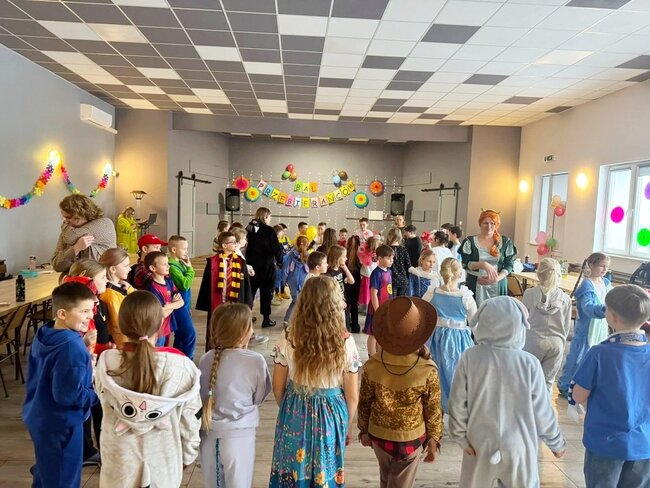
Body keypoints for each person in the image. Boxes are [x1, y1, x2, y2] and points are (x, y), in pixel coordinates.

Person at [448, 296, 566, 488]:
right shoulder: (529, 363)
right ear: (519, 325)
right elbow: (542, 410)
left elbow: (457, 401)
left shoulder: (470, 357)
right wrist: (556, 442)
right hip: (519, 445)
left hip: (479, 442)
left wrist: (460, 436)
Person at [95, 291, 202, 487]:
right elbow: (191, 418)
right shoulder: (181, 366)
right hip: (164, 463)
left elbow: (101, 398)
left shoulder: (105, 363)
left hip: (119, 464)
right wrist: (188, 455)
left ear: (121, 324)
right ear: (161, 322)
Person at [269, 276, 360, 487]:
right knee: (326, 471)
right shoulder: (345, 341)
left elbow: (277, 387)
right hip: (331, 412)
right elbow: (352, 396)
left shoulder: (289, 336)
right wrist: (346, 424)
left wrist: (289, 410)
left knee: (292, 469)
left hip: (295, 407)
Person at [569, 285, 650, 488]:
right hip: (644, 443)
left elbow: (578, 395)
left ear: (612, 317)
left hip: (605, 443)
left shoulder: (600, 353)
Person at [358, 296, 443, 487]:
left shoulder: (372, 365)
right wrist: (434, 438)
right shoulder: (427, 370)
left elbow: (364, 403)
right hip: (411, 439)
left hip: (379, 436)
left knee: (386, 477)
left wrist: (363, 430)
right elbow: (433, 409)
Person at [23, 282, 99, 488]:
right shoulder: (72, 347)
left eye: (91, 310)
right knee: (63, 479)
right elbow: (68, 396)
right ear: (62, 313)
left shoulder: (45, 332)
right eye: (84, 311)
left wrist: (83, 355)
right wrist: (100, 392)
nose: (90, 316)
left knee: (47, 472)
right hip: (63, 423)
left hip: (40, 416)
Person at [199, 303, 271, 488]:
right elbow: (259, 397)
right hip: (240, 437)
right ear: (243, 332)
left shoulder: (206, 359)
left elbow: (202, 395)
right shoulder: (256, 361)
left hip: (209, 437)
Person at [63, 259, 109, 467]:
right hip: (85, 366)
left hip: (93, 363)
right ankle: (85, 452)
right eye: (102, 277)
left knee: (95, 408)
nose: (106, 281)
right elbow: (72, 342)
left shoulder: (93, 301)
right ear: (87, 279)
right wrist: (86, 346)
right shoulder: (78, 306)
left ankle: (92, 449)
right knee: (87, 407)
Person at [423, 257, 477, 413]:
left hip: (435, 340)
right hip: (459, 342)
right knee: (456, 374)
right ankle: (457, 409)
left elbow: (422, 316)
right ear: (459, 274)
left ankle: (436, 409)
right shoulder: (465, 297)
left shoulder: (431, 293)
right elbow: (474, 323)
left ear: (442, 272)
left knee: (436, 373)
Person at [557, 252, 611, 397]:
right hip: (586, 329)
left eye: (607, 267)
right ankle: (566, 386)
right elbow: (588, 308)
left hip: (600, 328)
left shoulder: (606, 283)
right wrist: (606, 309)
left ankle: (587, 386)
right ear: (591, 265)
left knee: (595, 358)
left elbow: (610, 298)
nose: (605, 269)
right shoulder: (587, 285)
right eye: (602, 266)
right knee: (578, 358)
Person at [196, 232, 259, 349]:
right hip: (218, 302)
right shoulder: (212, 262)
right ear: (224, 245)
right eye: (233, 242)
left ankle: (233, 350)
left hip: (235, 301)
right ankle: (214, 351)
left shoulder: (240, 261)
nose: (236, 244)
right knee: (216, 329)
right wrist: (205, 303)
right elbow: (206, 283)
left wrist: (248, 303)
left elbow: (246, 284)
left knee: (234, 329)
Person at [522, 258, 572, 393]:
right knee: (547, 383)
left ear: (538, 274)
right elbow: (566, 326)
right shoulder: (566, 299)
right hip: (556, 343)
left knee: (527, 381)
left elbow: (523, 319)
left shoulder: (529, 294)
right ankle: (544, 406)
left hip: (532, 341)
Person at [459, 209, 517, 306]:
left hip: (499, 285)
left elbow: (509, 265)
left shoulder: (505, 242)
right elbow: (465, 264)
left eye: (492, 223)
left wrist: (496, 278)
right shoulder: (470, 241)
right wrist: (483, 264)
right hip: (475, 284)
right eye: (485, 223)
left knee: (498, 313)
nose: (489, 226)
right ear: (480, 224)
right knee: (475, 313)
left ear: (496, 224)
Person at [52, 194, 117, 273]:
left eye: (68, 217)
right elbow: (56, 265)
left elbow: (70, 238)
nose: (64, 221)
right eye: (63, 217)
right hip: (75, 278)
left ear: (81, 215)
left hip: (101, 278)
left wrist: (74, 248)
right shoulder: (68, 231)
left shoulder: (104, 223)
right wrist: (76, 248)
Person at [246, 207, 283, 329]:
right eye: (270, 216)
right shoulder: (269, 230)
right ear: (265, 216)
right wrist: (280, 261)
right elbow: (276, 248)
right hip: (266, 266)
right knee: (266, 293)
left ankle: (246, 317)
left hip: (251, 266)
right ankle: (266, 319)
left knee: (250, 293)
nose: (270, 219)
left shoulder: (249, 228)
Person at [143, 251, 185, 347]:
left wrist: (168, 306)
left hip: (167, 326)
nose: (168, 266)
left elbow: (181, 302)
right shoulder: (152, 288)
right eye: (164, 264)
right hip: (157, 328)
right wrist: (173, 305)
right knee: (158, 351)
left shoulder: (169, 281)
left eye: (168, 263)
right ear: (153, 268)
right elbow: (160, 314)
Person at [167, 235, 196, 359]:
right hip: (179, 306)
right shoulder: (172, 267)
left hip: (184, 305)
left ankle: (178, 360)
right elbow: (185, 284)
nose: (186, 251)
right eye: (184, 249)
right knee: (190, 334)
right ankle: (188, 361)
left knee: (180, 336)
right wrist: (190, 269)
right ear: (174, 250)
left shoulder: (180, 263)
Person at [99, 247, 134, 349]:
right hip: (121, 343)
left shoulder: (121, 287)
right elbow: (118, 326)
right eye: (126, 266)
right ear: (113, 269)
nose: (130, 269)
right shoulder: (110, 294)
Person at [364, 245, 394, 356]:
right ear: (380, 258)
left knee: (381, 333)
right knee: (373, 333)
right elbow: (373, 294)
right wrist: (377, 310)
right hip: (376, 308)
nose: (391, 260)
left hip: (386, 308)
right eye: (388, 258)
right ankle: (371, 356)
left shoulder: (389, 272)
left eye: (392, 258)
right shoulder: (376, 273)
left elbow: (388, 290)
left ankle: (380, 355)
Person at [281, 235, 310, 327]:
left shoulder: (290, 255)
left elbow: (285, 269)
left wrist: (283, 281)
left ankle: (289, 319)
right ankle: (290, 320)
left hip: (292, 281)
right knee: (300, 301)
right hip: (304, 280)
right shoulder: (308, 256)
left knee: (296, 300)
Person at [326, 244, 355, 331]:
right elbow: (329, 293)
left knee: (345, 327)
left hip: (343, 304)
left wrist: (345, 268)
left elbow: (351, 281)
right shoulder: (329, 273)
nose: (346, 258)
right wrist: (339, 302)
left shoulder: (339, 271)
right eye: (344, 256)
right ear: (337, 257)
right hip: (335, 306)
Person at [386, 227, 411, 297]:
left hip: (390, 279)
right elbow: (409, 265)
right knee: (400, 301)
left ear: (389, 236)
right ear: (400, 237)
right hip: (403, 279)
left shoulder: (386, 249)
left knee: (391, 301)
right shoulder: (404, 250)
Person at [345, 235, 362, 333]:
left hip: (346, 281)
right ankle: (355, 326)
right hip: (357, 282)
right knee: (354, 304)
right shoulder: (360, 255)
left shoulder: (345, 254)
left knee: (346, 303)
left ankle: (347, 325)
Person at [358, 235, 381, 309]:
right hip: (368, 277)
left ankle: (370, 308)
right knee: (368, 295)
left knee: (372, 294)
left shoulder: (376, 254)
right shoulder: (365, 254)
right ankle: (367, 309)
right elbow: (366, 267)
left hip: (372, 276)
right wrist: (372, 276)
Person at [274, 224, 292, 301]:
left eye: (285, 231)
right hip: (278, 262)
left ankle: (282, 291)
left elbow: (290, 247)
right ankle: (277, 292)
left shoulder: (286, 238)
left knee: (284, 277)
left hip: (285, 260)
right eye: (282, 231)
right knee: (277, 277)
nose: (284, 233)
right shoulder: (274, 240)